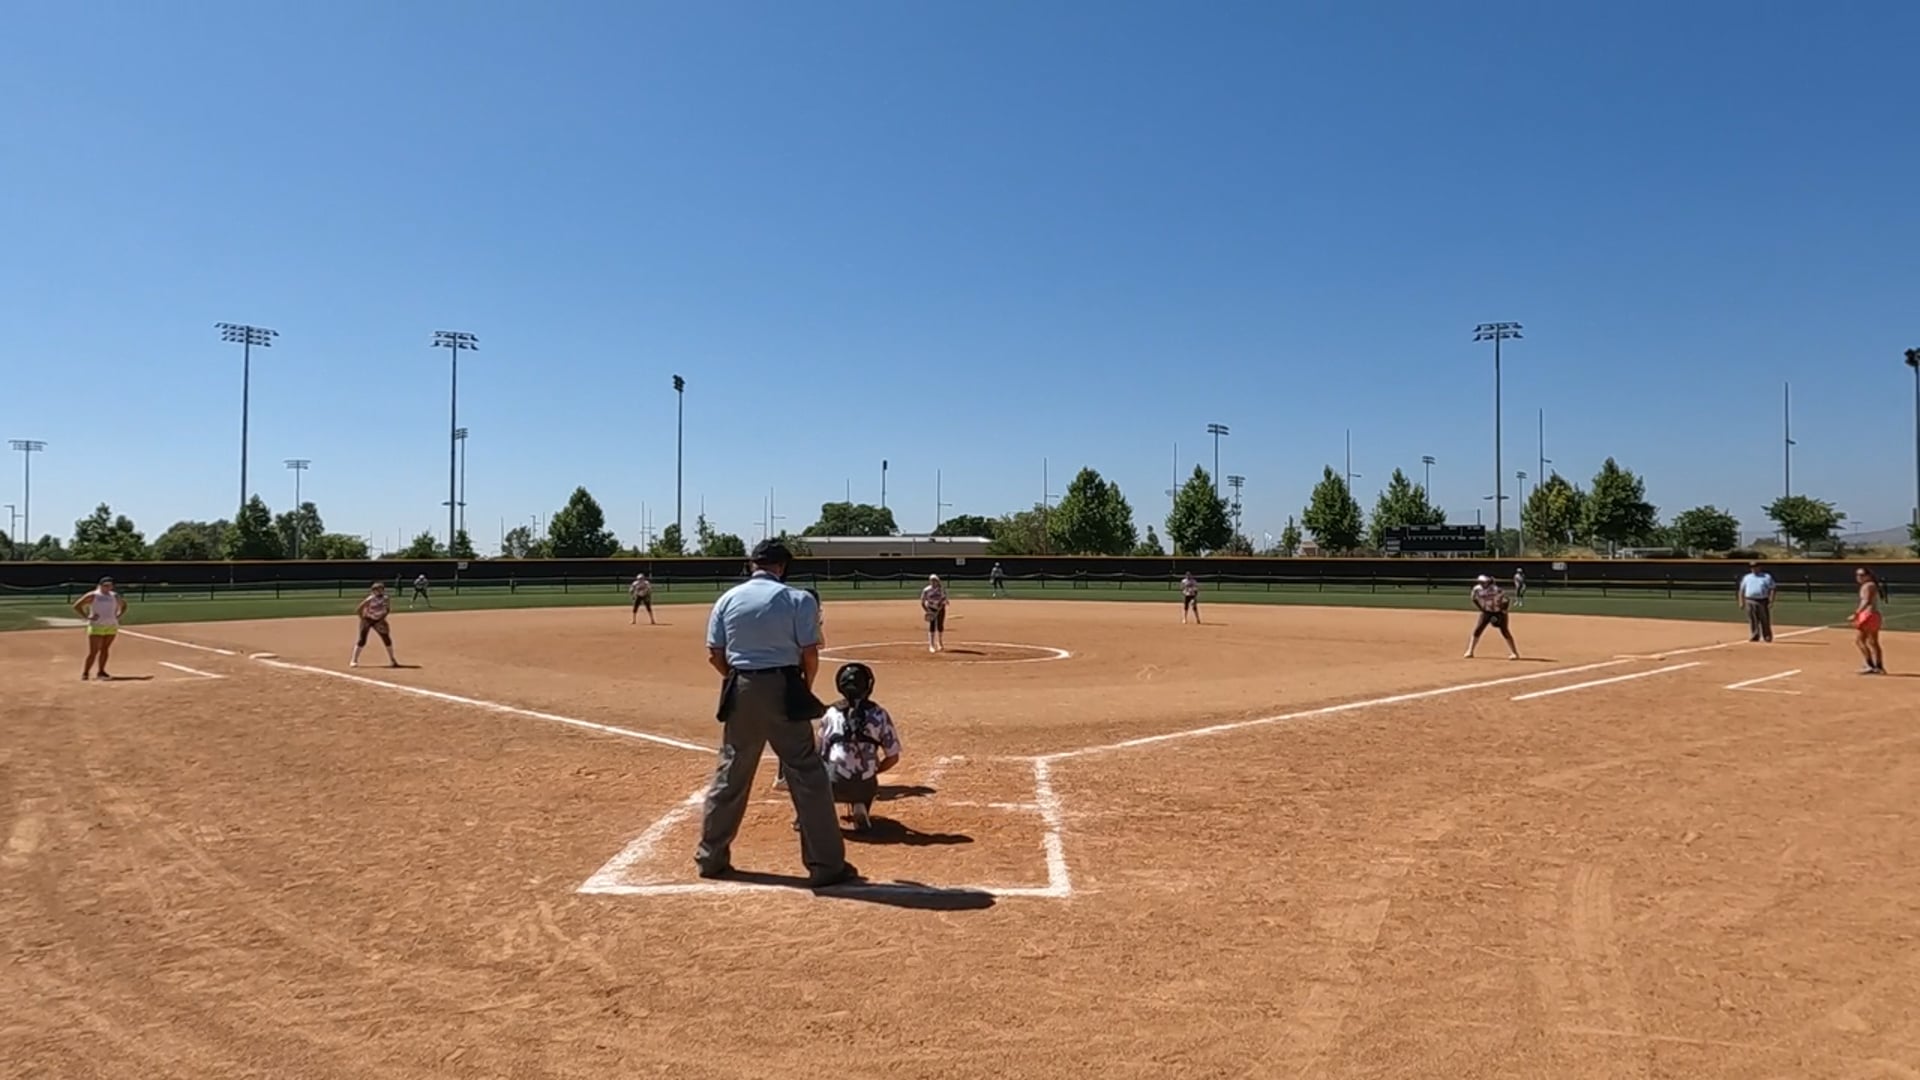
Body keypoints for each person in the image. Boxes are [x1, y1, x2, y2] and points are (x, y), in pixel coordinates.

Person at [695, 540, 855, 889]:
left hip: (740, 688)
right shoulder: (799, 599)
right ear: (781, 566)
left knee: (731, 772)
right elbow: (809, 653)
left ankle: (711, 858)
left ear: (752, 564)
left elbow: (714, 654)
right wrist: (804, 687)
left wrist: (737, 680)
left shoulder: (727, 599)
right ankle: (826, 865)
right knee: (807, 774)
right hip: (784, 685)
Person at [818, 662, 903, 833]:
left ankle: (811, 816)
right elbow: (893, 757)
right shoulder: (879, 713)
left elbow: (819, 752)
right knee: (867, 768)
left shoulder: (831, 713)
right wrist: (874, 770)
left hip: (835, 785)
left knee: (819, 766)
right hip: (866, 786)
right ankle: (861, 804)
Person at [73, 577, 126, 681]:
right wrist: (87, 616)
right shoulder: (94, 595)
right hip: (97, 626)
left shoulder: (114, 596)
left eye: (110, 585)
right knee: (93, 651)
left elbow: (123, 605)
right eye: (105, 585)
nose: (107, 587)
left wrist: (119, 615)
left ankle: (101, 671)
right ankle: (86, 672)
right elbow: (77, 605)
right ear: (100, 585)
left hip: (111, 625)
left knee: (105, 649)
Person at [1466, 574, 1520, 660]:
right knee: (1478, 629)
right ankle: (1470, 651)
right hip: (1487, 612)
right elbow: (1473, 598)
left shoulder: (1496, 589)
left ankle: (1514, 653)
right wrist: (1481, 608)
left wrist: (1504, 610)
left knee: (1504, 631)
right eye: (1481, 582)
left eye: (1485, 582)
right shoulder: (1477, 589)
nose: (1483, 584)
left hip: (1499, 612)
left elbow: (1506, 599)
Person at [352, 581, 401, 668]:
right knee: (362, 639)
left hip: (378, 620)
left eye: (381, 589)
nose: (380, 591)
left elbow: (387, 609)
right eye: (377, 590)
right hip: (367, 619)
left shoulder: (386, 598)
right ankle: (354, 660)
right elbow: (359, 608)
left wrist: (383, 619)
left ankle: (392, 660)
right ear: (373, 591)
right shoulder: (370, 599)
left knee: (386, 638)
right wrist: (362, 618)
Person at [1853, 567, 1885, 674]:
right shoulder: (1872, 585)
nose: (1859, 577)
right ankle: (1879, 666)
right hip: (1874, 615)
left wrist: (1856, 613)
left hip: (1867, 615)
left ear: (1868, 576)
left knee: (1860, 641)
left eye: (1862, 575)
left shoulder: (1867, 586)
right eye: (1857, 575)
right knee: (1873, 642)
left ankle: (1869, 665)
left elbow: (1866, 601)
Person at [1738, 561, 1776, 643]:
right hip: (1750, 600)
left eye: (1755, 567)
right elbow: (1741, 590)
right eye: (1752, 567)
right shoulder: (1747, 577)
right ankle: (1755, 635)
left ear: (1759, 567)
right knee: (1753, 619)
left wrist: (1771, 601)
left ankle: (1767, 636)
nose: (1753, 569)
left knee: (1764, 619)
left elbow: (1772, 589)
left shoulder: (1766, 577)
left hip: (1762, 600)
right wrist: (1741, 602)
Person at [920, 574, 949, 653]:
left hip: (940, 609)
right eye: (932, 580)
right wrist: (928, 611)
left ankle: (940, 642)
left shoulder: (941, 589)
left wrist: (941, 606)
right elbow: (922, 602)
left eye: (935, 580)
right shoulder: (926, 590)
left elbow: (944, 599)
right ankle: (931, 645)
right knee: (932, 626)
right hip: (931, 609)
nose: (933, 582)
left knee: (940, 625)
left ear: (937, 581)